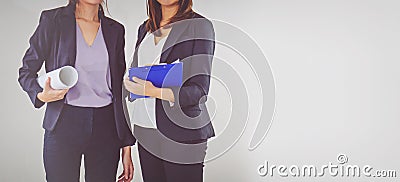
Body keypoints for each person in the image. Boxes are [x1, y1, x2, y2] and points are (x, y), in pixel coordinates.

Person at [18, 0, 135, 181]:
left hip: (106, 126)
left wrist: (126, 143)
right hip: (64, 123)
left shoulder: (116, 30)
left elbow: (119, 90)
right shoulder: (53, 20)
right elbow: (26, 71)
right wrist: (41, 95)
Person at [123, 0, 215, 181]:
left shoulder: (198, 26)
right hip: (145, 130)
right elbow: (133, 73)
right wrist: (128, 83)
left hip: (181, 131)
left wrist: (154, 91)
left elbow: (200, 90)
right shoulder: (145, 28)